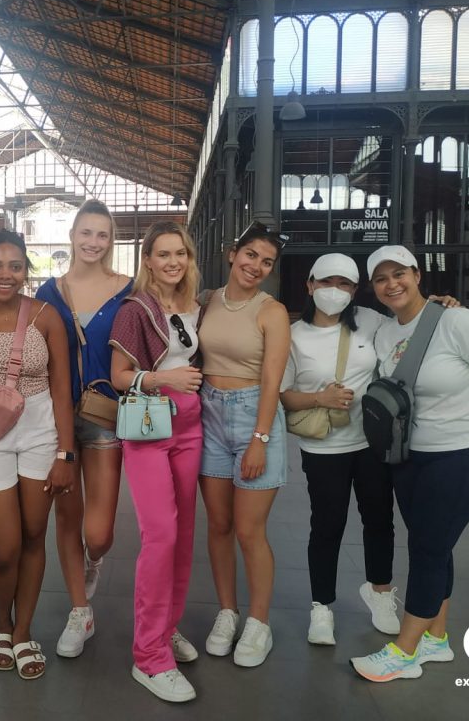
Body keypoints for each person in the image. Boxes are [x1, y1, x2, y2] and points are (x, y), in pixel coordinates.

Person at [351, 245, 469, 682]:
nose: (392, 284)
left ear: (417, 274)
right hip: (412, 456)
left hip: (463, 456)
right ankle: (436, 638)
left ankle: (404, 651)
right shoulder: (387, 332)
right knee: (434, 543)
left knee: (427, 549)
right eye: (381, 278)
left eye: (400, 274)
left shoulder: (456, 321)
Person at [0, 229, 75, 681]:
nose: (4, 274)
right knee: (2, 547)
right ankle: (0, 621)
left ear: (26, 270)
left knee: (32, 533)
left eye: (14, 266)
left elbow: (63, 388)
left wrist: (65, 453)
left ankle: (22, 630)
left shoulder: (46, 315)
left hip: (40, 431)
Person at [279, 253, 401, 646]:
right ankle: (322, 607)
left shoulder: (370, 320)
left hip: (371, 442)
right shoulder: (293, 336)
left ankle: (380, 592)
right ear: (310, 285)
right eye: (327, 282)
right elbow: (284, 395)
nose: (335, 290)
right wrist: (320, 398)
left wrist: (441, 307)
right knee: (327, 525)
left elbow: (409, 326)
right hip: (323, 448)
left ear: (355, 289)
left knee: (379, 519)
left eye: (345, 283)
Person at [109, 221, 204, 703]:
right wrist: (165, 380)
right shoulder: (135, 309)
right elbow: (118, 375)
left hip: (190, 427)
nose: (173, 262)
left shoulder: (195, 306)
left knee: (183, 536)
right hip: (149, 427)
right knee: (161, 535)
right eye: (163, 254)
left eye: (180, 253)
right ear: (147, 260)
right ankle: (148, 656)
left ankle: (166, 627)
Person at [35, 199, 132, 658]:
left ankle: (94, 559)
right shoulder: (48, 291)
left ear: (111, 241)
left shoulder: (128, 290)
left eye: (102, 235)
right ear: (72, 236)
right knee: (67, 517)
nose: (93, 242)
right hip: (57, 420)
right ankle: (80, 610)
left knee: (99, 532)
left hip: (105, 416)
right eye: (86, 233)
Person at [196, 220, 290, 668]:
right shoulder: (207, 301)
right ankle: (227, 612)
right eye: (251, 254)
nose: (256, 266)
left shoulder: (272, 312)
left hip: (254, 416)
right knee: (218, 525)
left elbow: (272, 380)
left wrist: (260, 439)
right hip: (209, 415)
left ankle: (258, 622)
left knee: (250, 530)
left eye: (267, 262)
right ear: (233, 253)